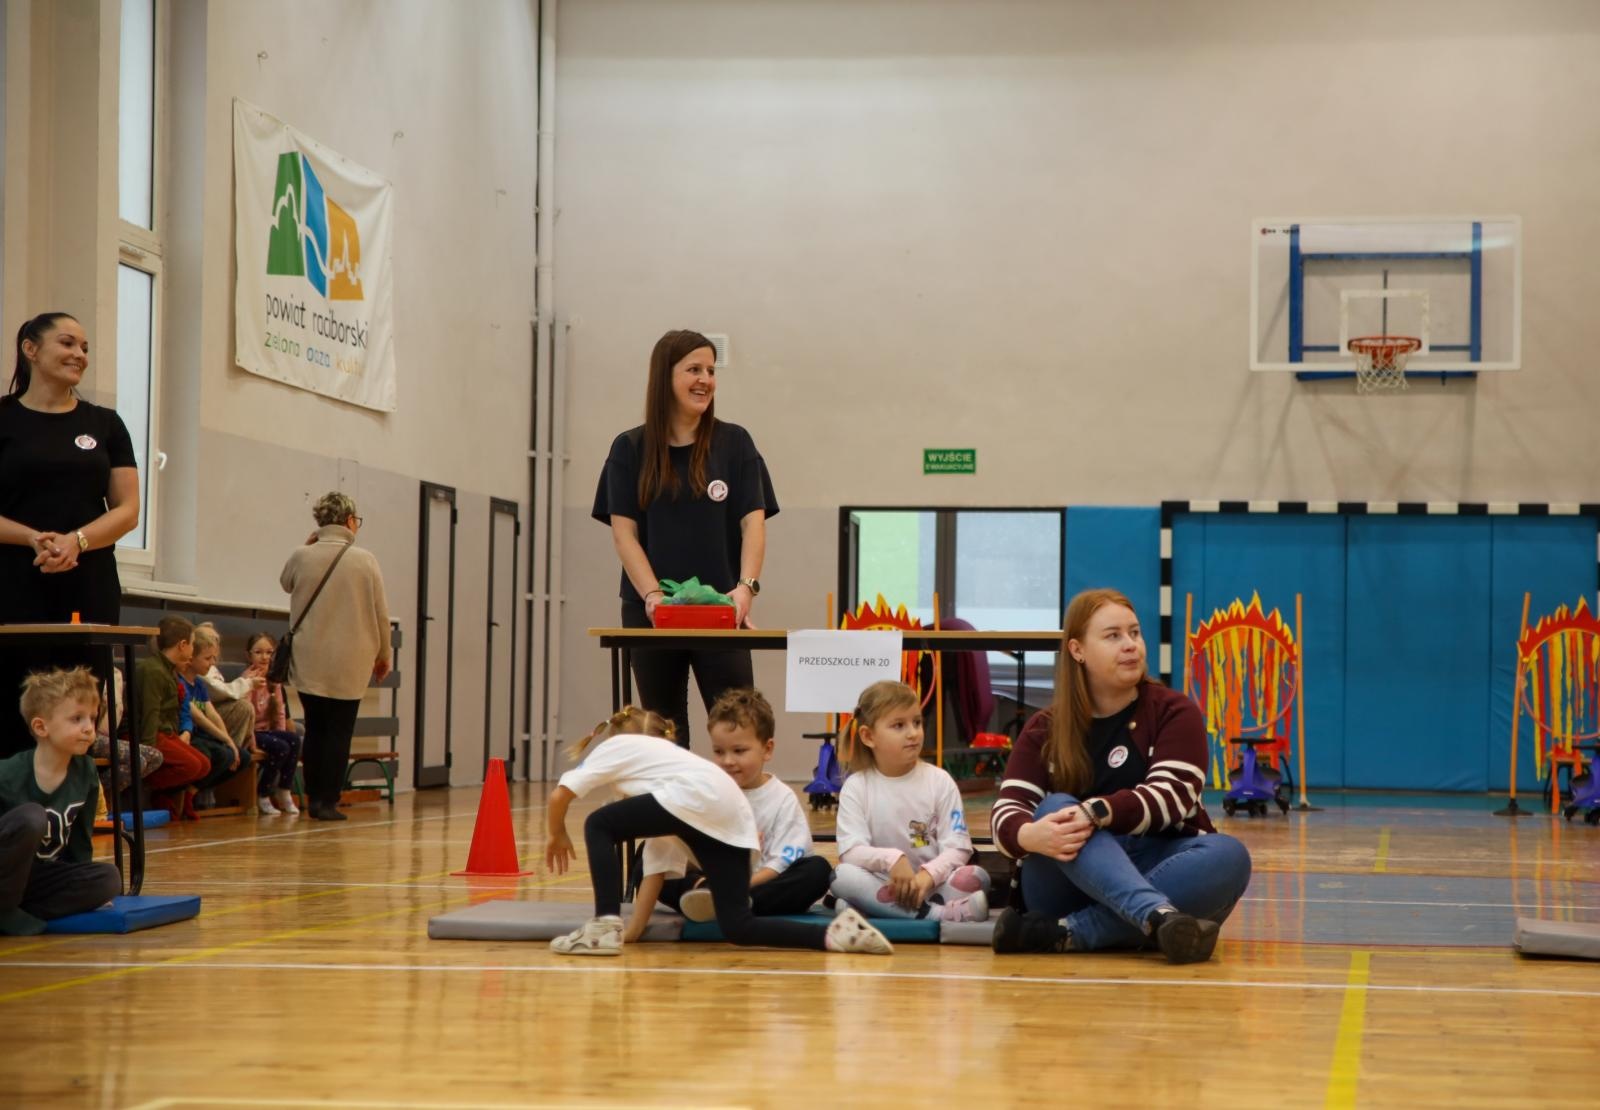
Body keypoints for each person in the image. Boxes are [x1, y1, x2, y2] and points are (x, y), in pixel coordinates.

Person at [988, 588, 1253, 964]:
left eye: (1135, 632)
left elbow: (1171, 798)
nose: (1131, 645)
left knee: (1229, 855)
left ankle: (1069, 933)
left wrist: (1096, 811)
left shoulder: (1175, 712)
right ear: (1077, 650)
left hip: (1157, 866)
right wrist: (1029, 834)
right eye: (1113, 636)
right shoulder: (1043, 729)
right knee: (1058, 806)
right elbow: (1007, 813)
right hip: (1066, 880)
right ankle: (1157, 919)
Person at [544, 705, 892, 957]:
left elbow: (559, 795)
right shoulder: (671, 767)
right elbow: (657, 860)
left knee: (598, 823)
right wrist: (633, 930)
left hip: (708, 800)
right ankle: (836, 935)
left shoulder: (616, 747)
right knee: (738, 927)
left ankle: (603, 925)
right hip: (731, 811)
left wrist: (557, 833)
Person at [591, 329, 777, 746]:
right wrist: (653, 597)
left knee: (737, 725)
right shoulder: (629, 449)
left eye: (711, 370)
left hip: (722, 612)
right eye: (694, 369)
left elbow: (754, 523)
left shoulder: (735, 443)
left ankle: (737, 811)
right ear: (665, 378)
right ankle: (670, 812)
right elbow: (625, 535)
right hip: (651, 615)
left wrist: (745, 588)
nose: (705, 380)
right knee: (665, 732)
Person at [0, 312, 141, 758]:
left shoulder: (106, 424)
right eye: (68, 343)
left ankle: (73, 817)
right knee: (11, 701)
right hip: (12, 582)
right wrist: (33, 539)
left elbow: (128, 509)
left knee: (77, 704)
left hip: (88, 581)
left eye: (84, 348)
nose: (79, 355)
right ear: (30, 348)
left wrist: (75, 541)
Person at [624, 687, 833, 938]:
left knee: (817, 871)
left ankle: (725, 902)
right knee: (644, 859)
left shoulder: (782, 799)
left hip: (758, 885)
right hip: (707, 882)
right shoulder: (705, 790)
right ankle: (712, 900)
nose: (728, 761)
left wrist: (731, 888)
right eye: (719, 752)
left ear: (767, 749)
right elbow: (684, 855)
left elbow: (783, 861)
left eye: (739, 751)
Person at [829, 680, 991, 923]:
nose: (913, 733)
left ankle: (876, 909)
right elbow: (851, 852)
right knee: (841, 876)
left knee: (977, 877)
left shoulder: (940, 781)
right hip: (884, 883)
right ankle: (938, 913)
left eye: (917, 722)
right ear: (868, 736)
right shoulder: (856, 787)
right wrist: (892, 860)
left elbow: (958, 846)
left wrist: (927, 877)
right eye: (898, 725)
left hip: (932, 885)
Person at [280, 492, 391, 821]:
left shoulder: (302, 555)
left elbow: (286, 583)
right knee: (340, 732)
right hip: (352, 660)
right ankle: (330, 801)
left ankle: (313, 800)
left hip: (309, 658)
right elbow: (381, 613)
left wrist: (307, 545)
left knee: (315, 729)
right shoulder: (365, 560)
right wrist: (384, 655)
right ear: (349, 521)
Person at [0, 667, 122, 935]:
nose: (89, 728)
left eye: (92, 718)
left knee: (109, 879)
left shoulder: (87, 772)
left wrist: (88, 888)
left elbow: (80, 843)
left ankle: (13, 908)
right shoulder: (7, 775)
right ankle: (5, 910)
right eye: (76, 719)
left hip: (36, 880)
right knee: (32, 817)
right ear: (41, 727)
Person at [132, 616, 213, 820]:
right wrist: (148, 752)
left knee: (203, 764)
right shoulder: (153, 670)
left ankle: (166, 793)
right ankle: (151, 788)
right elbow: (150, 714)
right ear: (183, 645)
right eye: (193, 644)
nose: (193, 649)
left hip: (166, 732)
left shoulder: (170, 670)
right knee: (192, 765)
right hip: (148, 733)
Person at [179, 625, 248, 808]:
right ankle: (189, 794)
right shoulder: (179, 682)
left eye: (214, 658)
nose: (212, 663)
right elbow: (199, 718)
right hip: (189, 736)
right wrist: (226, 741)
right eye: (207, 658)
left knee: (242, 757)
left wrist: (231, 743)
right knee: (219, 755)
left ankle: (194, 791)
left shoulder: (200, 684)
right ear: (191, 657)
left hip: (203, 736)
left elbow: (212, 714)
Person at [241, 632, 301, 816]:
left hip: (268, 732)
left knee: (293, 740)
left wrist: (282, 733)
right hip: (252, 734)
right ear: (249, 655)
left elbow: (281, 712)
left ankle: (284, 790)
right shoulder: (247, 679)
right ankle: (263, 794)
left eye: (269, 652)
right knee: (281, 747)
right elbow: (245, 714)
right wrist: (251, 741)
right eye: (258, 652)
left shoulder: (274, 680)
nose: (264, 657)